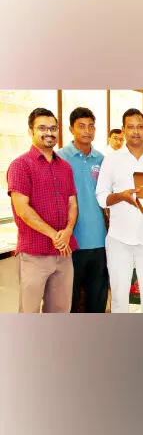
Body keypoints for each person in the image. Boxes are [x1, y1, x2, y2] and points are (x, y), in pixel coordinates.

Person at [8, 108, 78, 313]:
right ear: (31, 131)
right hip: (33, 253)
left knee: (60, 311)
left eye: (53, 128)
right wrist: (55, 235)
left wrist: (68, 231)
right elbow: (23, 210)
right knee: (29, 313)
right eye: (42, 128)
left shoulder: (65, 167)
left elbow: (72, 204)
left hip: (63, 254)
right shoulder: (20, 165)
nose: (49, 133)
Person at [96, 108, 143, 313]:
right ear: (123, 129)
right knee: (119, 296)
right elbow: (101, 197)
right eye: (131, 127)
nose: (136, 131)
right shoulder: (111, 159)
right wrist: (121, 196)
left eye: (140, 127)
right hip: (119, 239)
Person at [57, 107, 108, 313]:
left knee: (97, 299)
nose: (87, 131)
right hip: (71, 242)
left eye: (91, 126)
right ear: (71, 129)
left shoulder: (101, 159)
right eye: (81, 126)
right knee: (69, 299)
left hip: (100, 239)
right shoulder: (59, 158)